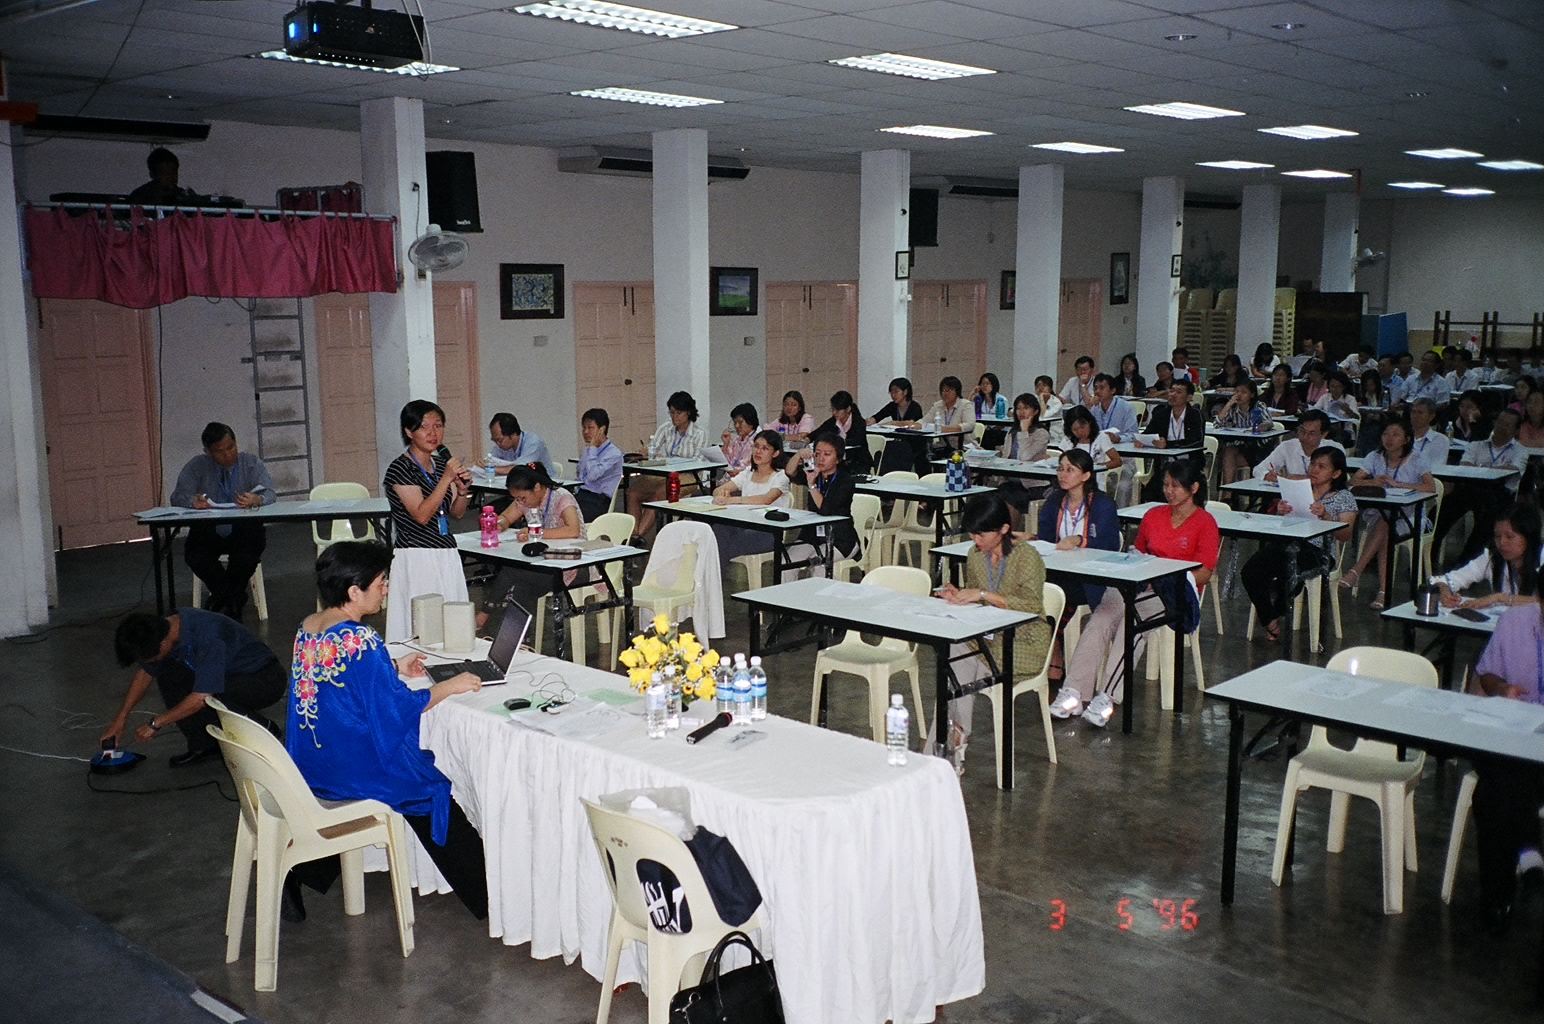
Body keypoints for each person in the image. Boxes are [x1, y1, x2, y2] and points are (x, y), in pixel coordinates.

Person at [285, 540, 488, 922]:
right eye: (381, 583)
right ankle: (486, 897)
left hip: (313, 760)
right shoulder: (359, 639)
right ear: (354, 591)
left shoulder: (308, 627)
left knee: (412, 778)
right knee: (428, 789)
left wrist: (392, 666)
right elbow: (397, 710)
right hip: (351, 768)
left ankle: (299, 871)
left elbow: (342, 677)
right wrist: (450, 685)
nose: (387, 589)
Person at [1051, 460, 1219, 727]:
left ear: (1194, 488)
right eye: (1166, 485)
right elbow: (1138, 551)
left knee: (1133, 625)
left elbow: (1204, 573)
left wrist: (1164, 579)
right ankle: (1074, 691)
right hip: (1138, 584)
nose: (1169, 491)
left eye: (1175, 486)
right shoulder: (1154, 515)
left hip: (1171, 594)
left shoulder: (1205, 523)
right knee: (1101, 618)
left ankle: (1108, 697)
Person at [935, 493, 1053, 774]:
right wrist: (959, 596)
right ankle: (954, 739)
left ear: (1003, 529)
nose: (975, 540)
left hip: (1025, 640)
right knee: (955, 655)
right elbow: (977, 600)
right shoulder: (975, 555)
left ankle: (947, 746)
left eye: (981, 534)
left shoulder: (1027, 556)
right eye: (972, 533)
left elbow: (1032, 606)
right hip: (989, 635)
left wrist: (983, 594)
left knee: (956, 665)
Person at [103, 609, 284, 767]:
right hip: (227, 674)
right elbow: (146, 673)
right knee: (168, 671)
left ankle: (264, 729)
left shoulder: (209, 635)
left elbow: (201, 697)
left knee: (213, 693)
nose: (149, 663)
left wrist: (156, 723)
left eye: (151, 658)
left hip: (264, 678)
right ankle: (203, 744)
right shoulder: (164, 627)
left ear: (163, 644)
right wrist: (120, 720)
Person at [1466, 604, 1544, 935]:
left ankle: (1497, 899)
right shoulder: (1514, 622)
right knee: (1502, 770)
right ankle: (1528, 853)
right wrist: (1502, 689)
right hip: (1508, 735)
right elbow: (1487, 674)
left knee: (1491, 792)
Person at [1240, 447, 1359, 641]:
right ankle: (1269, 616)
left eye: (1322, 467)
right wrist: (1280, 511)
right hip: (1288, 543)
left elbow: (1345, 535)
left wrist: (1326, 516)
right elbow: (1283, 522)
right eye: (1313, 464)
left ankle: (1275, 613)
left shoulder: (1344, 497)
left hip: (1318, 551)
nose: (1314, 470)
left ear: (1336, 473)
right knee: (1251, 571)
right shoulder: (1298, 489)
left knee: (1290, 573)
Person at [383, 399, 472, 641]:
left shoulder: (441, 464)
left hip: (446, 551)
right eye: (424, 427)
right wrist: (446, 479)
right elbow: (422, 515)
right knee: (423, 628)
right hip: (417, 555)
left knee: (453, 625)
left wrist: (462, 491)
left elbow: (457, 513)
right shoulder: (400, 469)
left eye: (438, 425)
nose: (433, 433)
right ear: (409, 431)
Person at [169, 422, 276, 619]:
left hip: (243, 527)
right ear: (208, 451)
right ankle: (232, 598)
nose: (227, 455)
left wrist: (257, 499)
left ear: (236, 443)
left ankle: (223, 600)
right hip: (209, 528)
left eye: (231, 447)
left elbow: (269, 492)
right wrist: (192, 501)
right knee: (196, 555)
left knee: (247, 556)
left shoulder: (250, 463)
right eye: (219, 451)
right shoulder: (197, 466)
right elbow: (177, 497)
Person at [1340, 420, 1437, 610]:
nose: (1389, 439)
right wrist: (1373, 482)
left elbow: (1430, 487)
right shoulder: (1375, 457)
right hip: (1380, 513)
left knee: (1385, 525)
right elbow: (1352, 481)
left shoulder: (1418, 458)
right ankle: (1383, 592)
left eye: (1395, 434)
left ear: (1406, 439)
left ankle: (1357, 571)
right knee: (1385, 525)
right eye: (1385, 434)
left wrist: (1399, 485)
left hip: (1410, 516)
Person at [477, 462, 583, 629]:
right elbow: (506, 517)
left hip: (572, 564)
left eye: (522, 498)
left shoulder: (562, 497)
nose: (521, 502)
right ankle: (519, 639)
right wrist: (499, 524)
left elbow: (573, 530)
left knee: (512, 570)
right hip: (546, 560)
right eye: (517, 499)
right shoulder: (526, 500)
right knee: (521, 587)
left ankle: (483, 615)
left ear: (537, 487)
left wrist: (535, 533)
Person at [1433, 409, 1528, 562]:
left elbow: (1512, 469)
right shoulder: (1476, 445)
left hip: (1500, 494)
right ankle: (1429, 552)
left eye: (1508, 424)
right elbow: (1465, 465)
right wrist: (1490, 469)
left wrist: (1480, 468)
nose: (1502, 426)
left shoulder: (1520, 451)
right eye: (1500, 422)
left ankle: (1466, 561)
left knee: (1487, 518)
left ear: (1516, 430)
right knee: (1442, 510)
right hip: (1471, 488)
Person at [1035, 449, 1120, 618]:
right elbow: (1045, 539)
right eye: (1060, 469)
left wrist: (1080, 540)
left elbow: (1110, 545)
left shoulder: (1103, 504)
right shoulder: (1055, 501)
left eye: (1070, 470)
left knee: (1057, 592)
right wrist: (1031, 538)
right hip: (1059, 569)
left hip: (1089, 577)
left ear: (1085, 475)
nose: (1063, 475)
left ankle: (1054, 628)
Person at [629, 390, 708, 541]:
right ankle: (634, 533)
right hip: (667, 473)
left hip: (690, 476)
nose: (674, 416)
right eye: (672, 412)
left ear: (688, 413)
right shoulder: (666, 428)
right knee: (633, 492)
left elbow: (698, 462)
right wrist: (648, 452)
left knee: (659, 494)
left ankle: (638, 537)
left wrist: (670, 460)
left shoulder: (699, 433)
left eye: (678, 413)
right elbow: (653, 447)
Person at [1433, 502, 1541, 610]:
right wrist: (1444, 590)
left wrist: (1500, 598)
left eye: (1510, 537)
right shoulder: (1492, 558)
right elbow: (1447, 579)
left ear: (1529, 537)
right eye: (1497, 536)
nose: (1502, 542)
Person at [783, 433, 859, 579]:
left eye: (827, 454)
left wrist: (811, 485)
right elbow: (789, 472)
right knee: (786, 562)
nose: (821, 458)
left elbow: (826, 509)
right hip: (812, 536)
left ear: (838, 459)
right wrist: (799, 454)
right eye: (817, 454)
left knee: (819, 564)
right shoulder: (814, 473)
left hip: (839, 538)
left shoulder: (845, 481)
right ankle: (787, 594)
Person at [710, 429, 791, 564]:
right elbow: (718, 490)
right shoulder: (748, 472)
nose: (758, 452)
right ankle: (713, 574)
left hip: (769, 531)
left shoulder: (781, 476)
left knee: (726, 544)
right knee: (718, 529)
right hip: (745, 524)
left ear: (776, 453)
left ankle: (715, 575)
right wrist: (721, 493)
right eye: (756, 446)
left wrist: (732, 500)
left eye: (765, 448)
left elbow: (766, 499)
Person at [1136, 379, 1205, 500]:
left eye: (1179, 392)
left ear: (1189, 398)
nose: (1173, 395)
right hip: (1165, 466)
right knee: (1150, 493)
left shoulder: (1195, 414)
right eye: (1171, 391)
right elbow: (1148, 433)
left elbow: (1196, 440)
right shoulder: (1161, 414)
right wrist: (1142, 440)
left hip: (1189, 465)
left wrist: (1168, 444)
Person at [995, 393, 1050, 528]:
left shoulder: (1041, 433)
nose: (1021, 412)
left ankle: (1010, 534)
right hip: (1010, 481)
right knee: (992, 497)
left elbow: (1024, 457)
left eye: (1026, 408)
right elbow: (1006, 456)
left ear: (1035, 411)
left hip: (1031, 484)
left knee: (1010, 498)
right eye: (1018, 408)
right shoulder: (1011, 432)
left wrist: (1024, 431)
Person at [790, 390, 872, 475]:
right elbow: (820, 430)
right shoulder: (834, 420)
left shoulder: (859, 422)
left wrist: (837, 443)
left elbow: (857, 441)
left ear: (848, 409)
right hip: (839, 462)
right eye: (833, 409)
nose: (834, 413)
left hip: (858, 462)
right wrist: (808, 438)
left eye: (838, 410)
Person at [1254, 410, 1343, 481]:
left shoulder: (1334, 449)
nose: (1305, 437)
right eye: (1302, 431)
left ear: (1324, 434)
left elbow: (1338, 478)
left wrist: (1303, 478)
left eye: (1311, 433)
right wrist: (1267, 475)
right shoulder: (1287, 446)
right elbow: (1258, 469)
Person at [1213, 379, 1272, 483]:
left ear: (1252, 395)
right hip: (1240, 446)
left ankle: (1228, 490)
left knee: (1228, 459)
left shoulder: (1259, 406)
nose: (1239, 395)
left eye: (1244, 392)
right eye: (1237, 391)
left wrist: (1261, 426)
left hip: (1258, 448)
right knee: (1228, 451)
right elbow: (1217, 424)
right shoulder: (1233, 409)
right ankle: (1229, 490)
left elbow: (1269, 422)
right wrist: (1229, 404)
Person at [574, 407, 623, 522]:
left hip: (599, 500)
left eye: (590, 428)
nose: (585, 432)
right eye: (584, 428)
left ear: (602, 429)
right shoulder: (587, 451)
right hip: (583, 495)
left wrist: (592, 448)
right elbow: (580, 475)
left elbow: (592, 476)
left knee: (572, 516)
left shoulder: (613, 454)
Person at [869, 376, 926, 474]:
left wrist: (893, 423)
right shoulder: (892, 406)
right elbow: (877, 417)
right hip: (899, 442)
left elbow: (911, 422)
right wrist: (870, 421)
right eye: (891, 392)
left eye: (896, 392)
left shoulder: (914, 406)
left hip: (914, 443)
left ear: (905, 392)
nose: (893, 395)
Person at [484, 413, 557, 478]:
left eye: (500, 440)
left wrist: (491, 469)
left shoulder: (533, 442)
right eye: (495, 440)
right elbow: (489, 460)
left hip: (544, 484)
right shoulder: (502, 446)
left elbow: (521, 469)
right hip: (520, 484)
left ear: (513, 434)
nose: (497, 444)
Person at [127, 146, 199, 206]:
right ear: (152, 174)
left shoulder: (184, 198)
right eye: (164, 172)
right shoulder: (140, 197)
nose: (170, 176)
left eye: (173, 171)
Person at [1063, 405, 1120, 470]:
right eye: (1075, 429)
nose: (1080, 432)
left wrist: (1098, 467)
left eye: (1082, 427)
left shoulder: (1101, 437)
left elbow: (1117, 461)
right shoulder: (1067, 439)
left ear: (1090, 422)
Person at [1088, 373, 1139, 442]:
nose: (1097, 391)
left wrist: (1118, 438)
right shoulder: (1094, 407)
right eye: (1095, 388)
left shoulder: (1126, 407)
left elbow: (1134, 435)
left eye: (1102, 388)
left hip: (1121, 445)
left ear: (1113, 390)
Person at [1408, 397, 1450, 466]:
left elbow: (1437, 466)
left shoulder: (1441, 440)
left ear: (1431, 416)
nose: (1415, 416)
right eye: (1413, 412)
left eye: (1420, 412)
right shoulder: (1402, 437)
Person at [719, 402, 759, 472]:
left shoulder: (757, 441)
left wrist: (739, 472)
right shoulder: (737, 440)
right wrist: (726, 444)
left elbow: (756, 467)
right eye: (735, 422)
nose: (737, 426)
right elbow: (726, 463)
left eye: (740, 422)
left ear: (751, 422)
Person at [1035, 375, 1067, 447]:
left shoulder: (1056, 402)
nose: (1040, 388)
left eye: (1044, 385)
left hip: (1054, 436)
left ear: (1050, 389)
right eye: (1038, 386)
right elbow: (1012, 412)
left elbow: (1044, 416)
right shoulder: (1033, 399)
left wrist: (1042, 399)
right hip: (1038, 434)